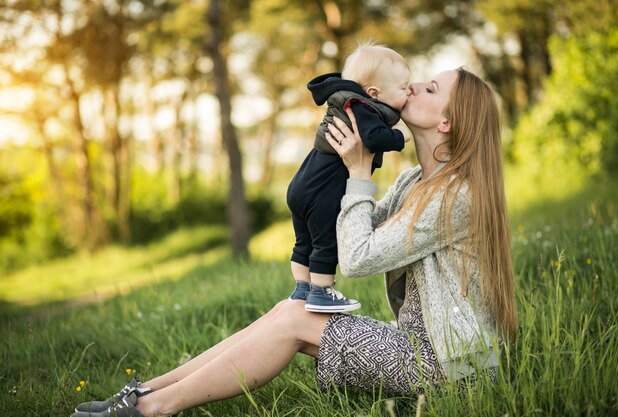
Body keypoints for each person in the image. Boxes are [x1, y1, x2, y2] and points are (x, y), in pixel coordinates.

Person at [70, 67, 518, 417]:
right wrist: (331, 175)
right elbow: (350, 239)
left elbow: (360, 260)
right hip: (422, 351)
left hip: (450, 370)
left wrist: (360, 172)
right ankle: (147, 390)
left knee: (293, 322)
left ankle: (151, 409)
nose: (415, 86)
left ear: (446, 123)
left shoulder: (457, 196)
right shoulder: (414, 182)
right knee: (292, 310)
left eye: (432, 89)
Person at [286, 42, 411, 313]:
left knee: (303, 242)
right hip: (324, 189)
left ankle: (301, 289)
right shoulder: (361, 107)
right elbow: (373, 137)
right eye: (403, 88)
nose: (409, 91)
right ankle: (320, 292)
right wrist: (401, 136)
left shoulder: (345, 100)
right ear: (374, 92)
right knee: (326, 240)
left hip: (301, 183)